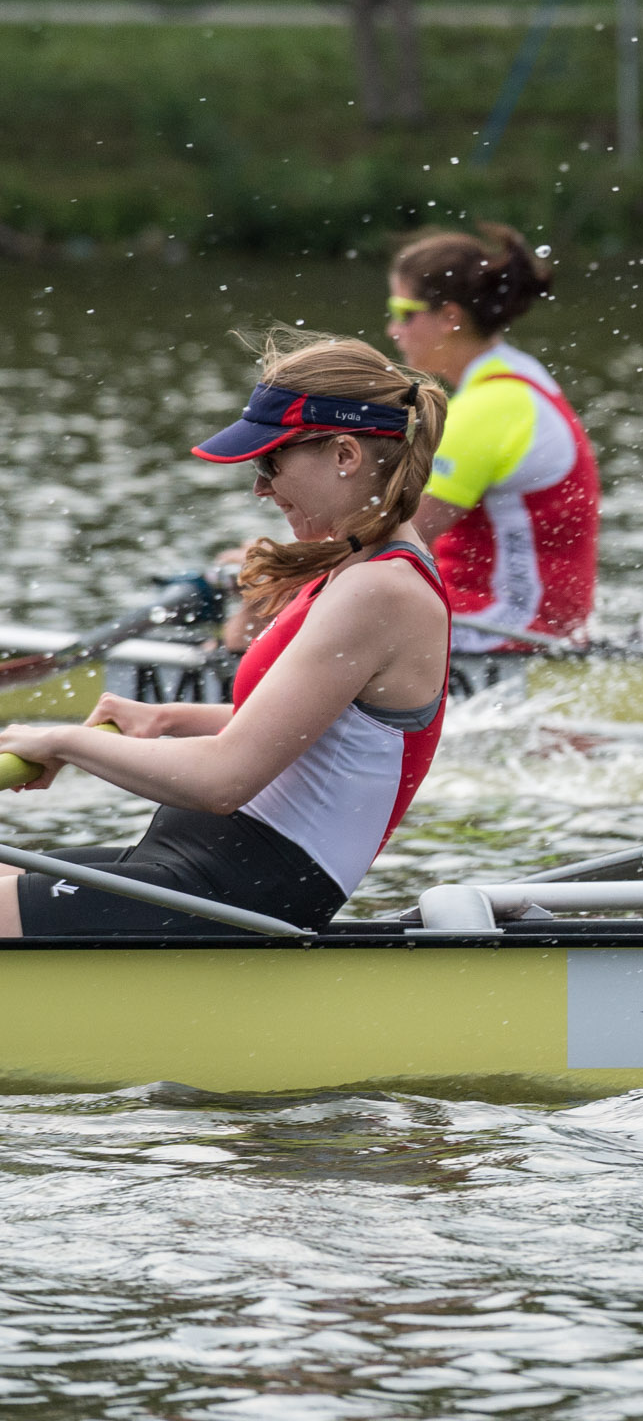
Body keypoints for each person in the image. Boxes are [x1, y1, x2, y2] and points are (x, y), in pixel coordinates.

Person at [0, 336, 450, 937]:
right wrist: (167, 719)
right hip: (196, 874)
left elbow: (223, 781)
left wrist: (63, 741)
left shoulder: (381, 592)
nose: (261, 487)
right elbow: (317, 733)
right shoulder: (355, 568)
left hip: (231, 897)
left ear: (345, 453)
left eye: (271, 463)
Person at [387, 225, 601, 651]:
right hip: (517, 617)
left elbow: (392, 544)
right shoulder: (515, 377)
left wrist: (278, 567)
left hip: (510, 625)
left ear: (450, 316)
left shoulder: (490, 408)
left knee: (283, 611)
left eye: (403, 311)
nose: (394, 329)